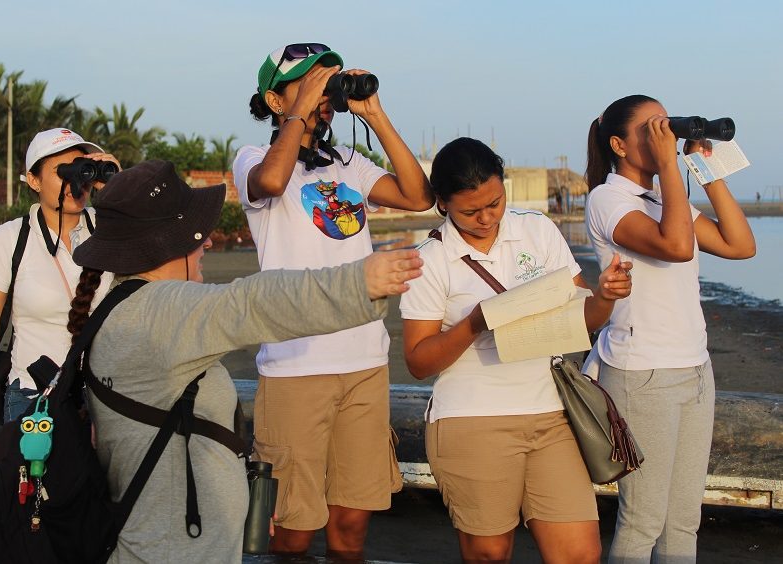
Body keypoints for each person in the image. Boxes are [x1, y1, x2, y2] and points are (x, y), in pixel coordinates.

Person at [66, 159, 423, 563]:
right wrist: (358, 283)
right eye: (197, 234)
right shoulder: (162, 311)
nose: (207, 244)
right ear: (167, 242)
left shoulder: (120, 307)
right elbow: (252, 302)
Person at [231, 43, 434, 558]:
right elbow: (273, 182)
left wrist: (373, 112)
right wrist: (304, 105)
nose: (323, 95)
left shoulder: (346, 163)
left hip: (364, 361)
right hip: (295, 365)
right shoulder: (253, 159)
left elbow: (418, 197)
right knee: (293, 528)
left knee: (351, 526)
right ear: (275, 101)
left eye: (328, 84)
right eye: (307, 84)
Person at [400, 137, 633, 563]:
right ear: (442, 204)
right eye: (471, 211)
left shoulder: (536, 229)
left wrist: (606, 297)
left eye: (496, 202)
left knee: (580, 554)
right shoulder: (430, 260)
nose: (487, 218)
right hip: (471, 421)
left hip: (551, 415)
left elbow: (581, 317)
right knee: (489, 553)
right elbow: (417, 361)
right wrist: (475, 323)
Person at [585, 95, 756, 563]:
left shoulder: (662, 197)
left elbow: (739, 245)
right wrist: (667, 166)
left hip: (695, 369)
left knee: (683, 521)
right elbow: (677, 246)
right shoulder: (608, 199)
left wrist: (704, 170)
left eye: (667, 125)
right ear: (618, 144)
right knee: (643, 521)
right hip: (644, 375)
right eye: (651, 128)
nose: (664, 134)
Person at [0, 128, 119, 459]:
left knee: (101, 507)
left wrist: (120, 189)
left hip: (107, 396)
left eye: (83, 169)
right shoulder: (9, 240)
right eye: (64, 171)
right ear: (34, 180)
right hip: (33, 401)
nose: (78, 182)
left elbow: (166, 257)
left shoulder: (114, 231)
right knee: (36, 507)